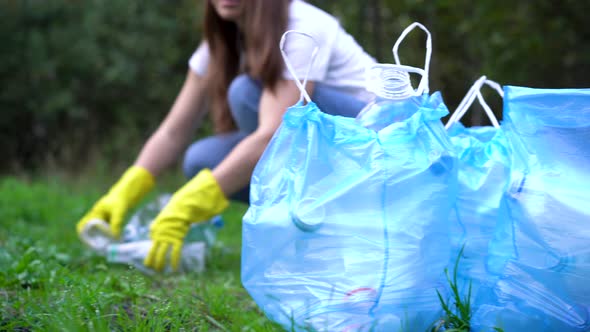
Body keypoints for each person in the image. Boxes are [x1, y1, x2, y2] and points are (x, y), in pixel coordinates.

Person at [76, 0, 376, 272]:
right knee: (201, 160)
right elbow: (172, 131)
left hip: (379, 147)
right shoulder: (223, 40)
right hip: (327, 150)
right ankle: (314, 230)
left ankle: (337, 221)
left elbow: (274, 133)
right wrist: (123, 193)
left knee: (245, 93)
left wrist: (188, 204)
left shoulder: (300, 26)